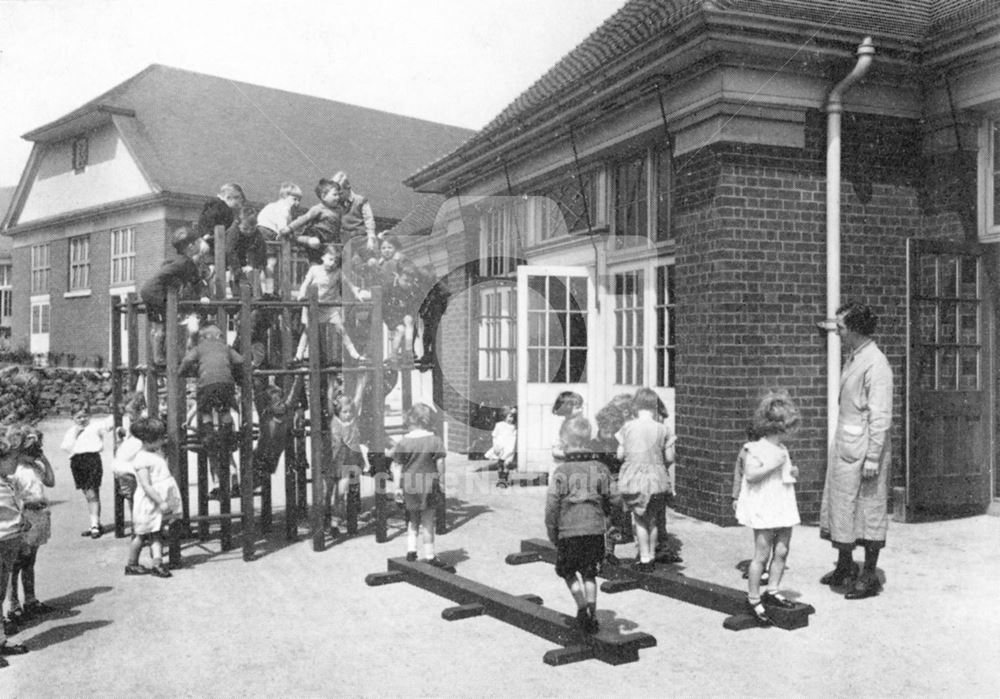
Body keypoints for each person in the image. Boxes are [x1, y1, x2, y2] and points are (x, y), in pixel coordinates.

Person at [819, 301, 893, 600]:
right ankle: (845, 565)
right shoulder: (856, 356)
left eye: (841, 327)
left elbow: (881, 415)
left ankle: (869, 575)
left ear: (858, 330)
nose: (837, 332)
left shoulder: (876, 364)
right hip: (848, 444)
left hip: (865, 449)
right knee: (842, 504)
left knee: (869, 507)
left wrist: (874, 455)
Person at [734, 391, 801, 625]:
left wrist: (792, 472)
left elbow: (785, 472)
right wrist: (774, 464)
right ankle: (753, 598)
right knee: (761, 554)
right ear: (776, 426)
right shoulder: (754, 448)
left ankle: (772, 590)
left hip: (782, 503)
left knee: (782, 550)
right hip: (765, 506)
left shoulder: (783, 449)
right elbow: (751, 475)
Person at [545, 415, 616, 634]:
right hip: (594, 530)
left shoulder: (561, 472)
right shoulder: (600, 468)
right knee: (589, 572)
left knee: (567, 571)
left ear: (565, 443)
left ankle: (581, 606)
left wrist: (552, 530)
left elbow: (552, 506)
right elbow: (614, 498)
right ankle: (592, 614)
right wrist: (609, 518)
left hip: (569, 531)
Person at [178, 324, 244, 497]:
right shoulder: (225, 347)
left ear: (204, 337)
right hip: (226, 385)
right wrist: (236, 375)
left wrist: (181, 373)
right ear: (219, 336)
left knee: (206, 411)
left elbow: (186, 361)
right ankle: (227, 433)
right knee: (225, 411)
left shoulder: (199, 348)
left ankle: (208, 435)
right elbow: (240, 361)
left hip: (207, 384)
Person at [616, 388, 675, 572]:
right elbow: (670, 457)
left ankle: (644, 558)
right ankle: (652, 553)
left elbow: (620, 455)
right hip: (657, 479)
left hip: (634, 478)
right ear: (655, 407)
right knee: (653, 520)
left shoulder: (627, 427)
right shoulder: (663, 428)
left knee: (640, 520)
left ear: (635, 406)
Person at [5, 426, 55, 627]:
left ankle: (31, 599)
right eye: (30, 451)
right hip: (25, 517)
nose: (34, 454)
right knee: (16, 563)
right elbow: (13, 499)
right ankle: (14, 604)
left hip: (40, 515)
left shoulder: (35, 467)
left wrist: (44, 461)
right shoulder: (14, 472)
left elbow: (50, 482)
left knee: (30, 561)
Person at [139, 226, 210, 367]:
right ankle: (161, 357)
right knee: (166, 323)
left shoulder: (178, 260)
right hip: (156, 293)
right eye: (197, 243)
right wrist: (203, 297)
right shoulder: (186, 263)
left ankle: (159, 356)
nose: (199, 246)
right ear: (191, 247)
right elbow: (196, 283)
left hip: (150, 290)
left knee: (160, 326)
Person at [389, 403, 447, 567]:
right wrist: (442, 481)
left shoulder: (404, 442)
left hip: (409, 485)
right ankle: (430, 556)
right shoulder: (435, 440)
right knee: (428, 521)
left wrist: (397, 487)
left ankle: (411, 551)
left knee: (412, 519)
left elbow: (397, 467)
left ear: (411, 420)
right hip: (429, 485)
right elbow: (441, 463)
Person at [125, 417, 181, 578]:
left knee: (156, 533)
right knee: (141, 535)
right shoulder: (141, 459)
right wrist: (161, 502)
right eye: (160, 439)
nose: (163, 441)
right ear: (148, 441)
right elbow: (146, 485)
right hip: (148, 502)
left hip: (156, 502)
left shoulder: (155, 452)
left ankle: (157, 564)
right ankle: (132, 564)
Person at [294, 244, 368, 366]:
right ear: (323, 257)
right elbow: (305, 284)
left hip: (329, 306)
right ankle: (299, 354)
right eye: (330, 259)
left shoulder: (337, 272)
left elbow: (349, 283)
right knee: (307, 330)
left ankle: (353, 353)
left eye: (335, 260)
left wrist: (356, 294)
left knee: (340, 328)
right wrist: (301, 295)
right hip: (314, 305)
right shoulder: (314, 269)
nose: (332, 263)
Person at [60, 403, 114, 538]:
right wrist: (75, 435)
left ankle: (95, 525)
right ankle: (95, 522)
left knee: (92, 493)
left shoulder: (95, 427)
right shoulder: (71, 432)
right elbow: (67, 447)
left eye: (85, 416)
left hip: (92, 460)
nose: (82, 419)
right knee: (87, 493)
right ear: (72, 418)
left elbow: (110, 422)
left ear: (89, 416)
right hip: (77, 462)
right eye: (78, 417)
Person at [0, 424, 30, 657]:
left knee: (1, 592)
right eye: (12, 459)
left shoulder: (7, 482)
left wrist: (23, 522)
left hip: (10, 540)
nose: (16, 464)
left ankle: (1, 640)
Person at [591, 401, 630, 564]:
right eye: (607, 429)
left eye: (614, 429)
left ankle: (609, 551)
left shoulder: (617, 443)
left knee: (614, 519)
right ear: (600, 426)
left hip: (615, 484)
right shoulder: (593, 445)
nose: (611, 433)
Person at [322, 396, 366, 534]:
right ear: (338, 412)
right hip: (332, 463)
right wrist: (331, 381)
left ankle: (335, 524)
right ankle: (325, 520)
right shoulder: (333, 421)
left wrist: (361, 383)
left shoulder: (354, 422)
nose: (348, 415)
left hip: (347, 464)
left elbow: (357, 401)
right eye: (345, 412)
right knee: (326, 494)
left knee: (340, 494)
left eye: (350, 412)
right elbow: (329, 402)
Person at [256, 182, 303, 295]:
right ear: (284, 196)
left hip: (261, 231)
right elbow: (283, 226)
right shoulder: (284, 207)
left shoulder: (273, 205)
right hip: (267, 232)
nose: (297, 203)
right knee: (271, 263)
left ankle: (267, 289)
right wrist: (288, 233)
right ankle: (270, 291)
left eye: (299, 200)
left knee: (265, 263)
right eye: (294, 199)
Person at [281, 179, 344, 264]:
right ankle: (296, 238)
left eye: (338, 195)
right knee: (315, 242)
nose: (337, 197)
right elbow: (304, 219)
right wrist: (290, 228)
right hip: (316, 234)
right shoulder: (318, 208)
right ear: (323, 196)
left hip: (329, 239)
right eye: (334, 195)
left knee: (334, 257)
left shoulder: (338, 210)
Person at [112, 391, 146, 530]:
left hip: (130, 467)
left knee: (137, 498)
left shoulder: (142, 422)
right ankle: (136, 525)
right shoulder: (133, 423)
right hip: (126, 468)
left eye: (131, 412)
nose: (129, 416)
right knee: (133, 497)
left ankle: (138, 525)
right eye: (127, 413)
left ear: (140, 410)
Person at [382, 260, 422, 365]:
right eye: (406, 280)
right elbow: (383, 303)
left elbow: (416, 303)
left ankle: (409, 351)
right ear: (398, 276)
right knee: (400, 329)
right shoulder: (390, 286)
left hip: (404, 313)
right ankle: (393, 354)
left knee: (409, 324)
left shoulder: (414, 288)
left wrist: (411, 314)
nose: (409, 284)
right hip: (391, 313)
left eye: (411, 281)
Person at [330, 171, 377, 253]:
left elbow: (369, 220)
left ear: (348, 188)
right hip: (345, 241)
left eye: (340, 193)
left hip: (361, 240)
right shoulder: (336, 203)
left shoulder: (361, 201)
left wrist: (371, 238)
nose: (338, 197)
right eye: (335, 194)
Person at [550, 391, 584, 462]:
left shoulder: (579, 423)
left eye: (581, 407)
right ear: (567, 408)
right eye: (577, 408)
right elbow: (555, 450)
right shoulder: (559, 424)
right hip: (562, 461)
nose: (581, 410)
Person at [484, 406, 517, 476]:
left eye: (513, 417)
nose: (511, 419)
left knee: (507, 464)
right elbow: (494, 436)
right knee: (501, 464)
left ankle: (505, 477)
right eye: (510, 416)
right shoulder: (499, 425)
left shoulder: (513, 427)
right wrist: (495, 446)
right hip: (500, 448)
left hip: (509, 449)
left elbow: (514, 439)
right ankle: (501, 478)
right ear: (504, 416)